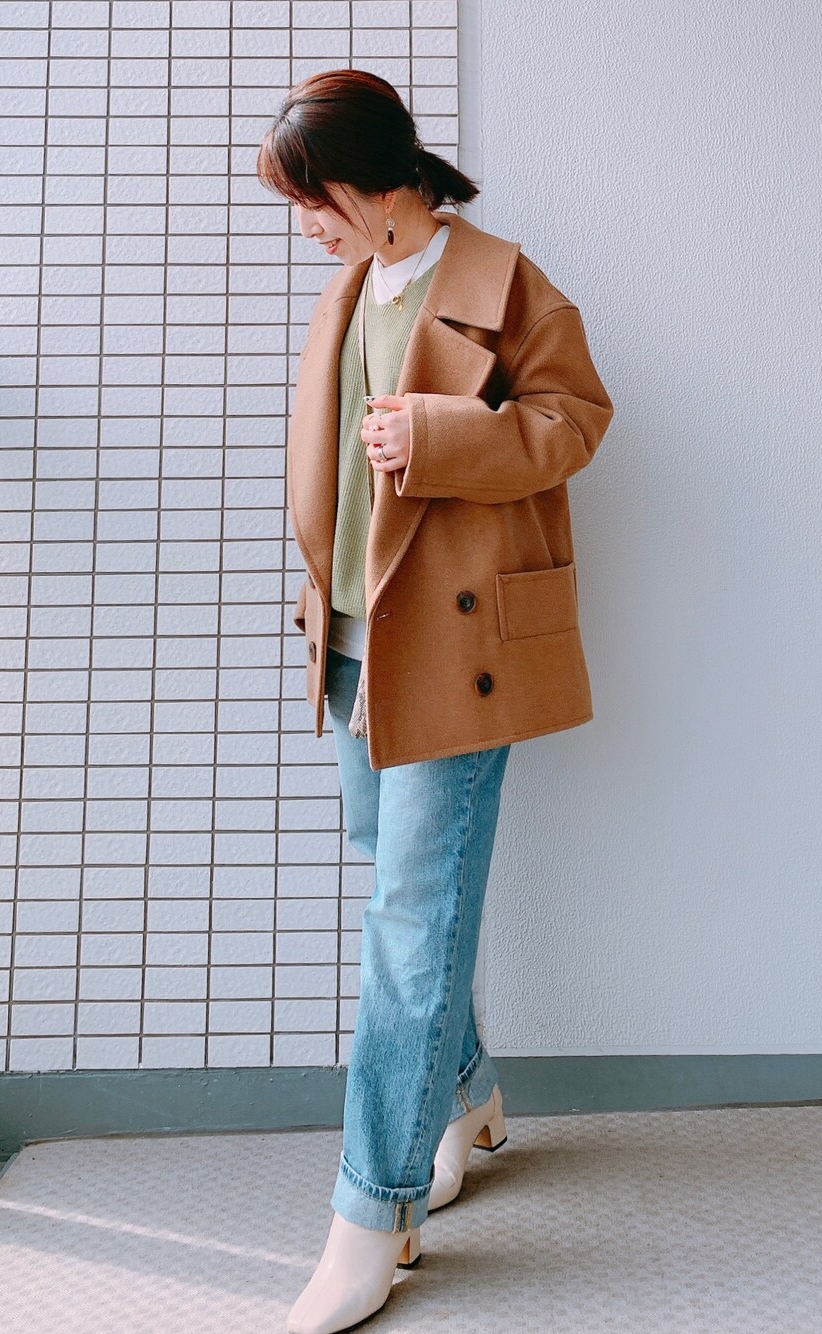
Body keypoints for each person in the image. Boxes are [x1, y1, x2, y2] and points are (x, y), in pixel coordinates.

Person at [257, 68, 615, 1334]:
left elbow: (578, 418)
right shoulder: (352, 283)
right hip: (357, 637)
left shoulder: (506, 283)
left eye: (312, 198)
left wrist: (447, 438)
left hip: (456, 645)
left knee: (410, 918)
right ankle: (464, 1097)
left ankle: (373, 1209)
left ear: (373, 180)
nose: (305, 223)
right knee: (399, 882)